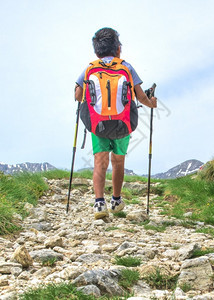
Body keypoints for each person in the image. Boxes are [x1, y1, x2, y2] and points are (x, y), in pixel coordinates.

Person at [74, 27, 157, 219]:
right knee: (118, 161)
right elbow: (141, 97)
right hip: (123, 123)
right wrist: (151, 103)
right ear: (118, 49)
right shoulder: (126, 67)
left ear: (96, 51)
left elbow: (78, 96)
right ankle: (116, 200)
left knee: (99, 162)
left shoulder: (89, 68)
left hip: (98, 123)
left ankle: (99, 204)